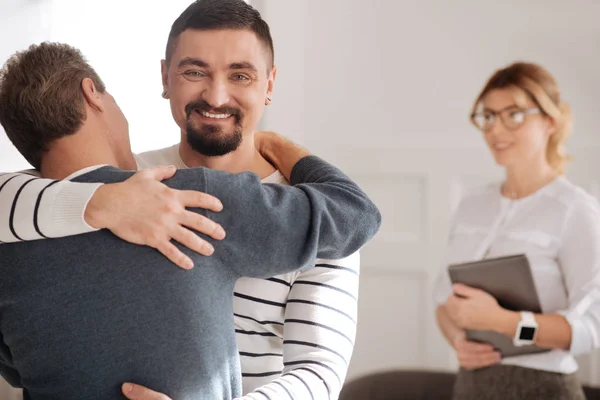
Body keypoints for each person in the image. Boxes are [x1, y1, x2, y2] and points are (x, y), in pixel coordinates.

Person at [0, 1, 363, 398]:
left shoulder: (313, 215)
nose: (217, 96)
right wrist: (100, 203)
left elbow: (318, 373)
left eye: (240, 75)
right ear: (165, 78)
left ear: (269, 85)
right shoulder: (124, 181)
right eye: (194, 72)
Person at [433, 62, 600, 400]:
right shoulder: (471, 205)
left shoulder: (574, 209)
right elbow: (442, 300)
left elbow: (590, 328)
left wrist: (503, 321)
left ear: (550, 121)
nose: (495, 129)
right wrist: (459, 342)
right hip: (471, 386)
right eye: (489, 116)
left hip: (545, 389)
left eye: (514, 114)